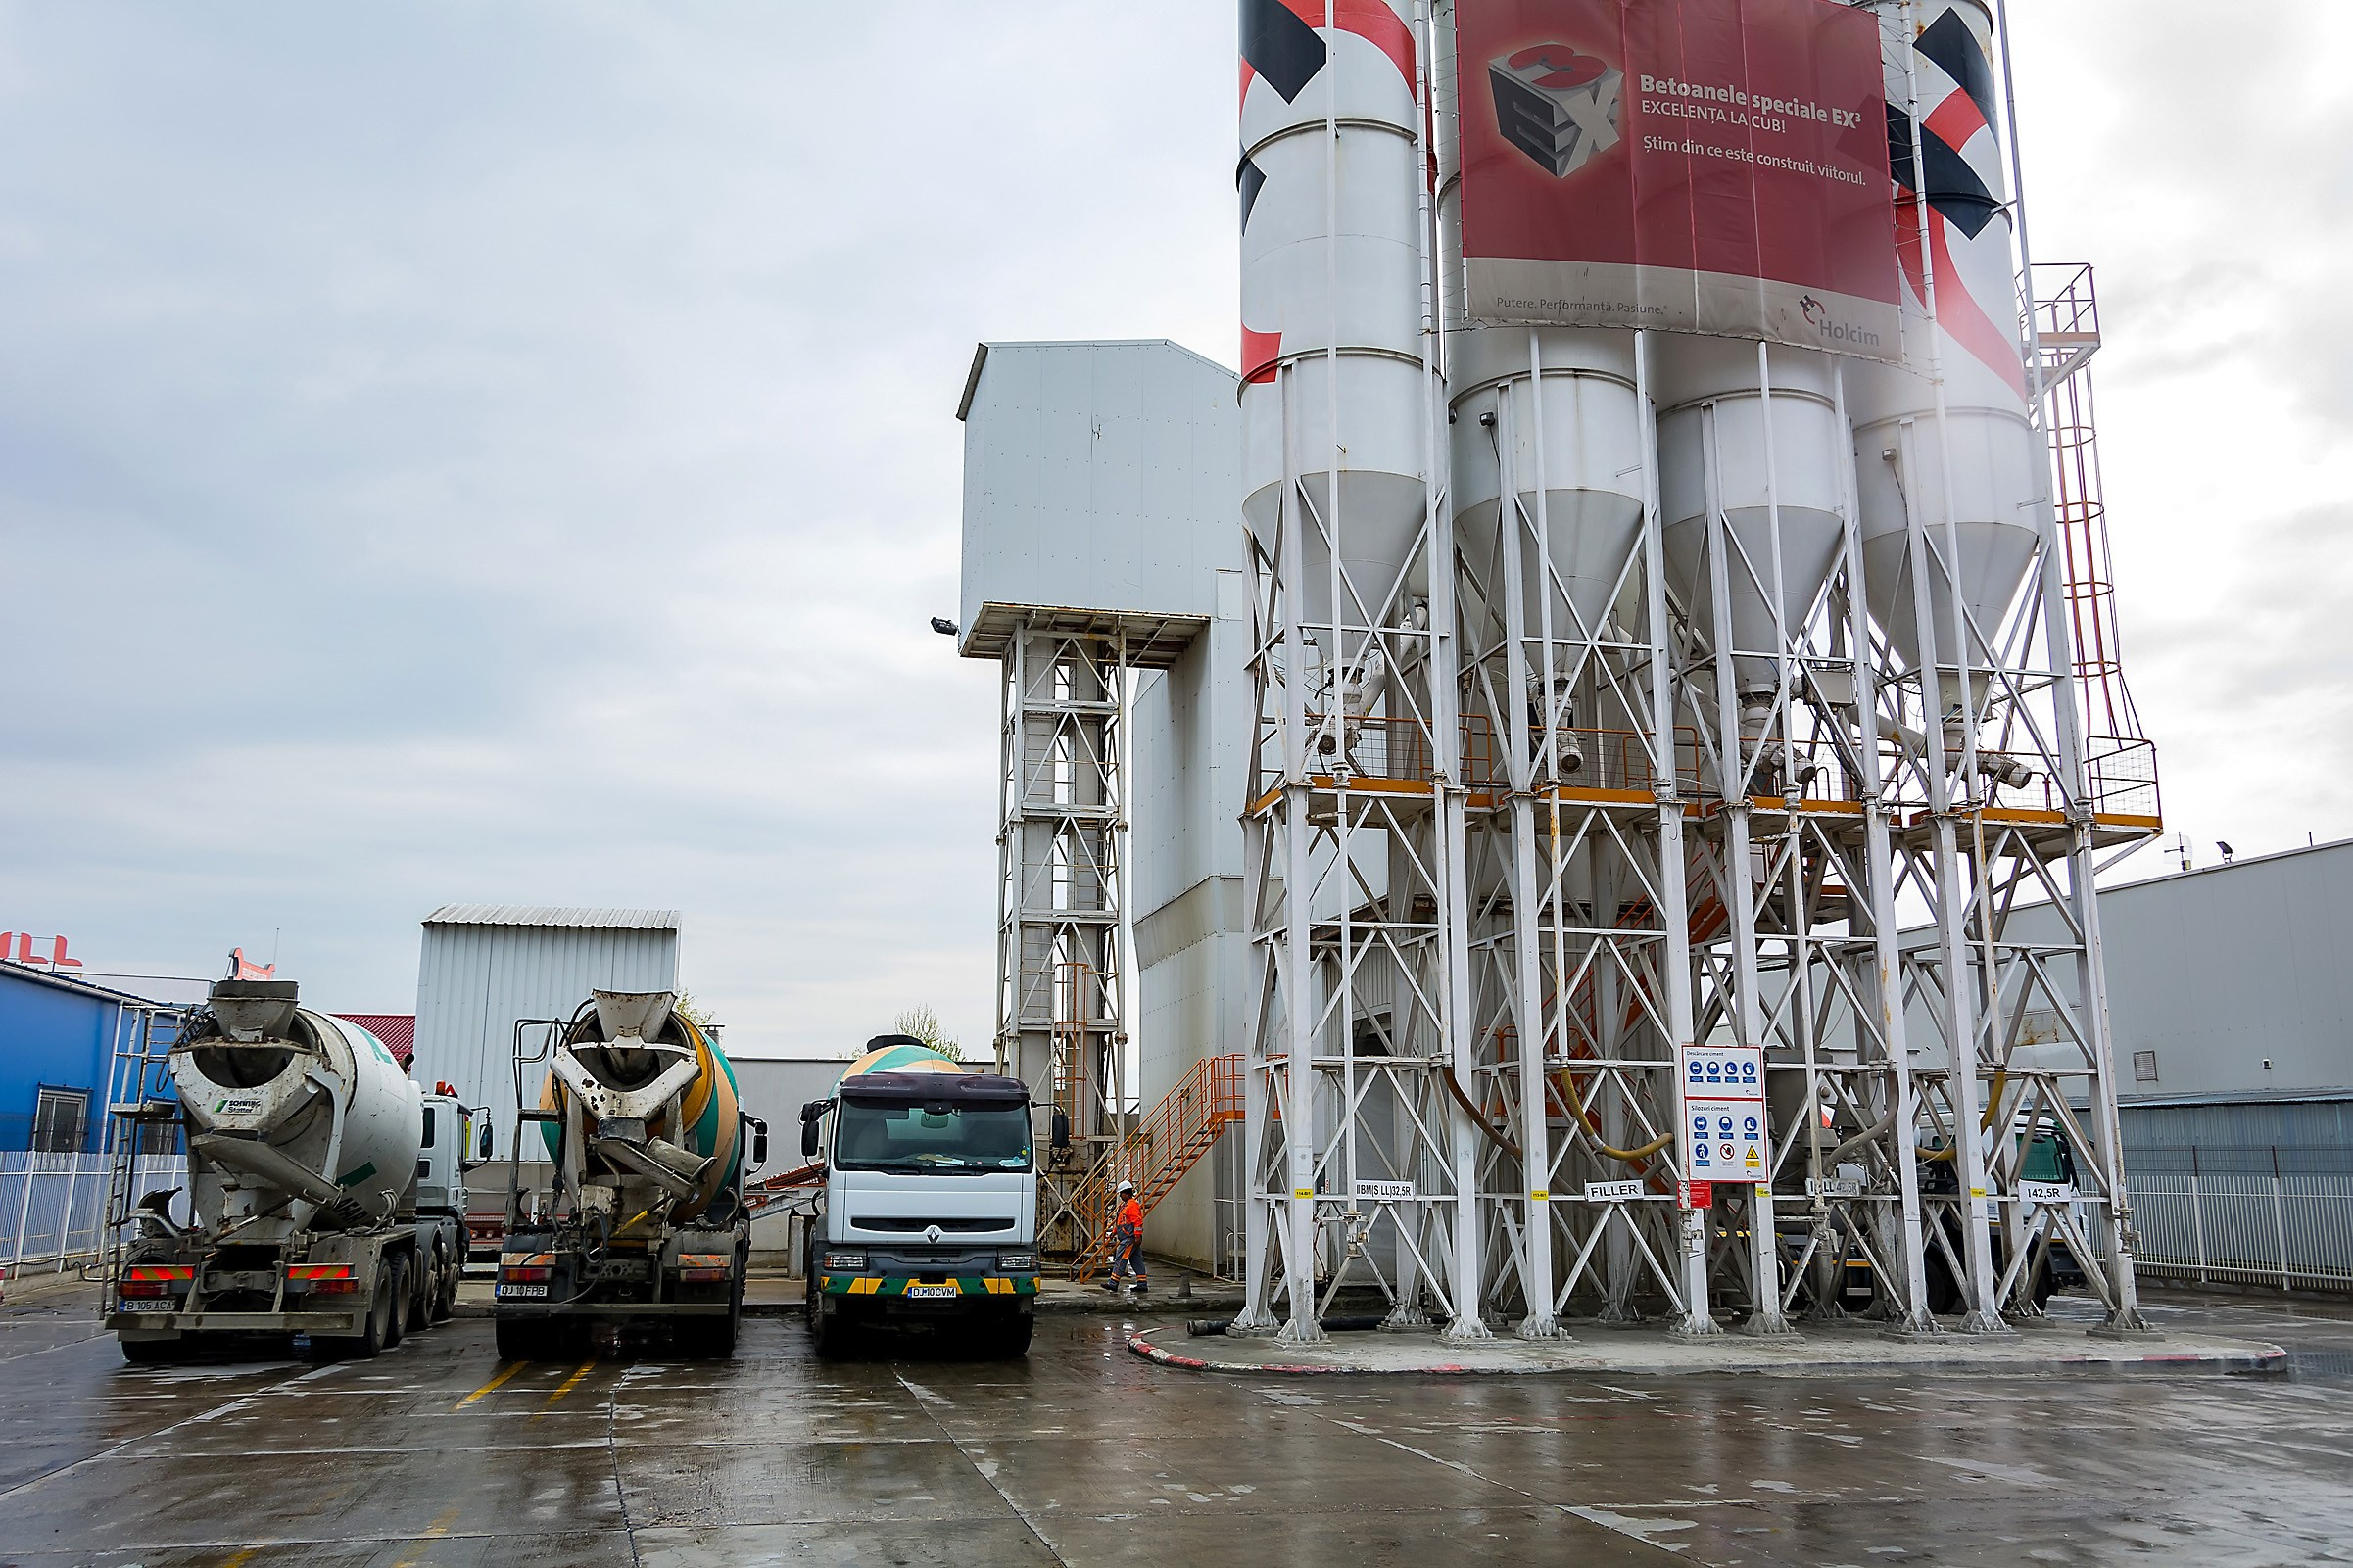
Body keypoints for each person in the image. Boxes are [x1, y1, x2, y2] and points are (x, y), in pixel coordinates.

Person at [1104, 1179, 1148, 1295]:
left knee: (1120, 1258)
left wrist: (1137, 1236)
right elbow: (1122, 1222)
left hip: (1130, 1238)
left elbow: (1137, 1222)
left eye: (1120, 1193)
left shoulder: (1132, 1205)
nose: (1119, 1196)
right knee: (1136, 1260)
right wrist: (1115, 1231)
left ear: (1126, 1193)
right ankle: (1142, 1284)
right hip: (1130, 1238)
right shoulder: (1125, 1206)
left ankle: (1113, 1283)